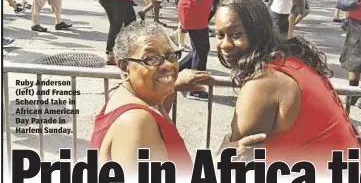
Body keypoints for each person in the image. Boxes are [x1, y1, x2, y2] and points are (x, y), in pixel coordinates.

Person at [214, 0, 361, 170]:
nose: (225, 45)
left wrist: (224, 147)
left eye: (236, 34)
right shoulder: (292, 60)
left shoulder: (263, 83)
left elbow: (233, 164)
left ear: (258, 32)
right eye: (219, 35)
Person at [89, 21, 265, 177]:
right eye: (151, 58)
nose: (167, 65)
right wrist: (222, 163)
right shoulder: (136, 122)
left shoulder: (127, 98)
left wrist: (170, 86)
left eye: (171, 55)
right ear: (124, 67)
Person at [177, 0, 224, 101]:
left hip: (195, 14)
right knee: (201, 50)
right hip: (194, 14)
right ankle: (195, 88)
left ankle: (176, 71)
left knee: (197, 49)